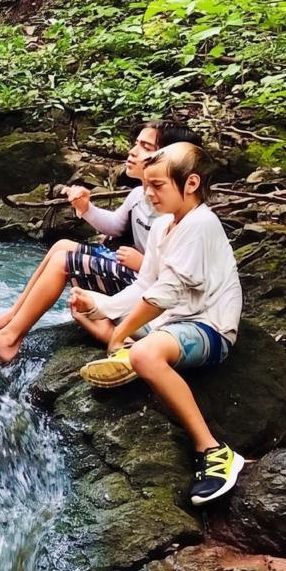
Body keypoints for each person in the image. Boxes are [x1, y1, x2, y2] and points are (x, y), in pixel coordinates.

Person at [69, 142, 244, 505]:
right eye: (146, 185)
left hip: (208, 327)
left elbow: (166, 292)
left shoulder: (201, 224)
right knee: (83, 313)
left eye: (158, 185)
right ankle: (130, 354)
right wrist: (100, 307)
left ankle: (212, 450)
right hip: (171, 320)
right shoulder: (164, 224)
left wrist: (119, 332)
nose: (148, 194)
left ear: (191, 183)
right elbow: (145, 286)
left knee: (145, 354)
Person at [0, 120, 202, 363]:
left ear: (171, 159)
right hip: (136, 274)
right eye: (136, 143)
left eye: (145, 147)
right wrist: (86, 208)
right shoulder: (138, 195)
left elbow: (180, 277)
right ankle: (12, 316)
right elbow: (115, 225)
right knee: (62, 246)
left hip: (150, 288)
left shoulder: (177, 210)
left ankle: (10, 339)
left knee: (62, 262)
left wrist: (143, 263)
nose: (132, 151)